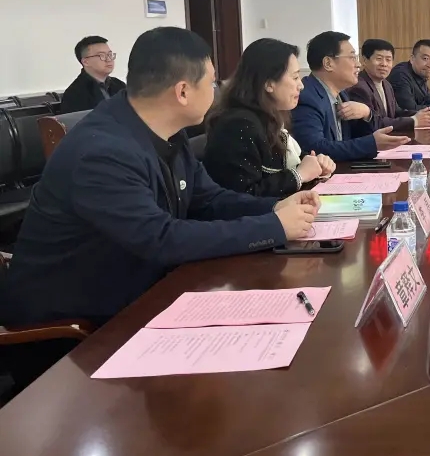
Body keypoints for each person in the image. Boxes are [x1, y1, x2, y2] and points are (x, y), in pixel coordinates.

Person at [0, 27, 321, 328]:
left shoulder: (165, 130)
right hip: (73, 323)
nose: (216, 92)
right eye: (211, 83)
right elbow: (161, 239)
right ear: (182, 91)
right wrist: (272, 227)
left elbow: (208, 199)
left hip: (140, 290)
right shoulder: (102, 152)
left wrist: (273, 208)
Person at [203, 38, 337, 198]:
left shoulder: (270, 116)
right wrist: (299, 175)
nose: (301, 85)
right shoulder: (238, 125)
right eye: (295, 77)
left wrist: (317, 164)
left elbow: (289, 159)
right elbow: (242, 195)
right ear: (268, 83)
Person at [292, 31, 409, 162]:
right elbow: (315, 149)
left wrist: (367, 114)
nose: (358, 64)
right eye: (352, 57)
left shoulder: (342, 94)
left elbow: (358, 136)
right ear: (328, 63)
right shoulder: (307, 97)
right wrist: (371, 144)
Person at [346, 39, 430, 133]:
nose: (384, 64)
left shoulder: (386, 84)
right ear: (365, 60)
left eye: (388, 60)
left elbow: (397, 112)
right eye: (379, 59)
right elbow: (376, 123)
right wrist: (414, 120)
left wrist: (422, 115)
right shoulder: (359, 87)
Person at [58, 35, 126, 113]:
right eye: (101, 55)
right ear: (85, 62)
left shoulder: (119, 85)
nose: (109, 59)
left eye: (110, 54)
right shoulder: (75, 93)